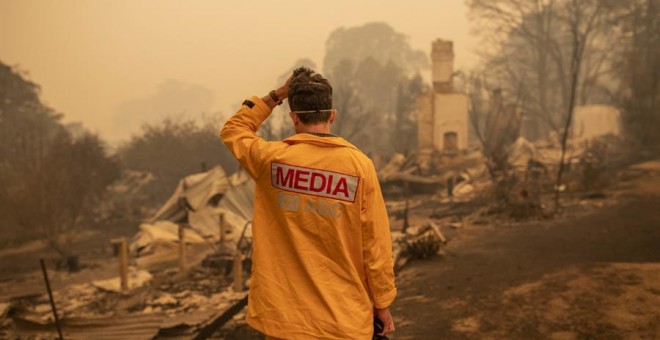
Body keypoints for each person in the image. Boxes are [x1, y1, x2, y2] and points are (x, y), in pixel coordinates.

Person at [220, 67, 396, 339]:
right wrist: (382, 303)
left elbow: (234, 128)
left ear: (293, 118)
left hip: (285, 322)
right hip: (344, 320)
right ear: (332, 115)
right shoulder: (359, 166)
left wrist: (277, 94)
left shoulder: (270, 160)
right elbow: (376, 243)